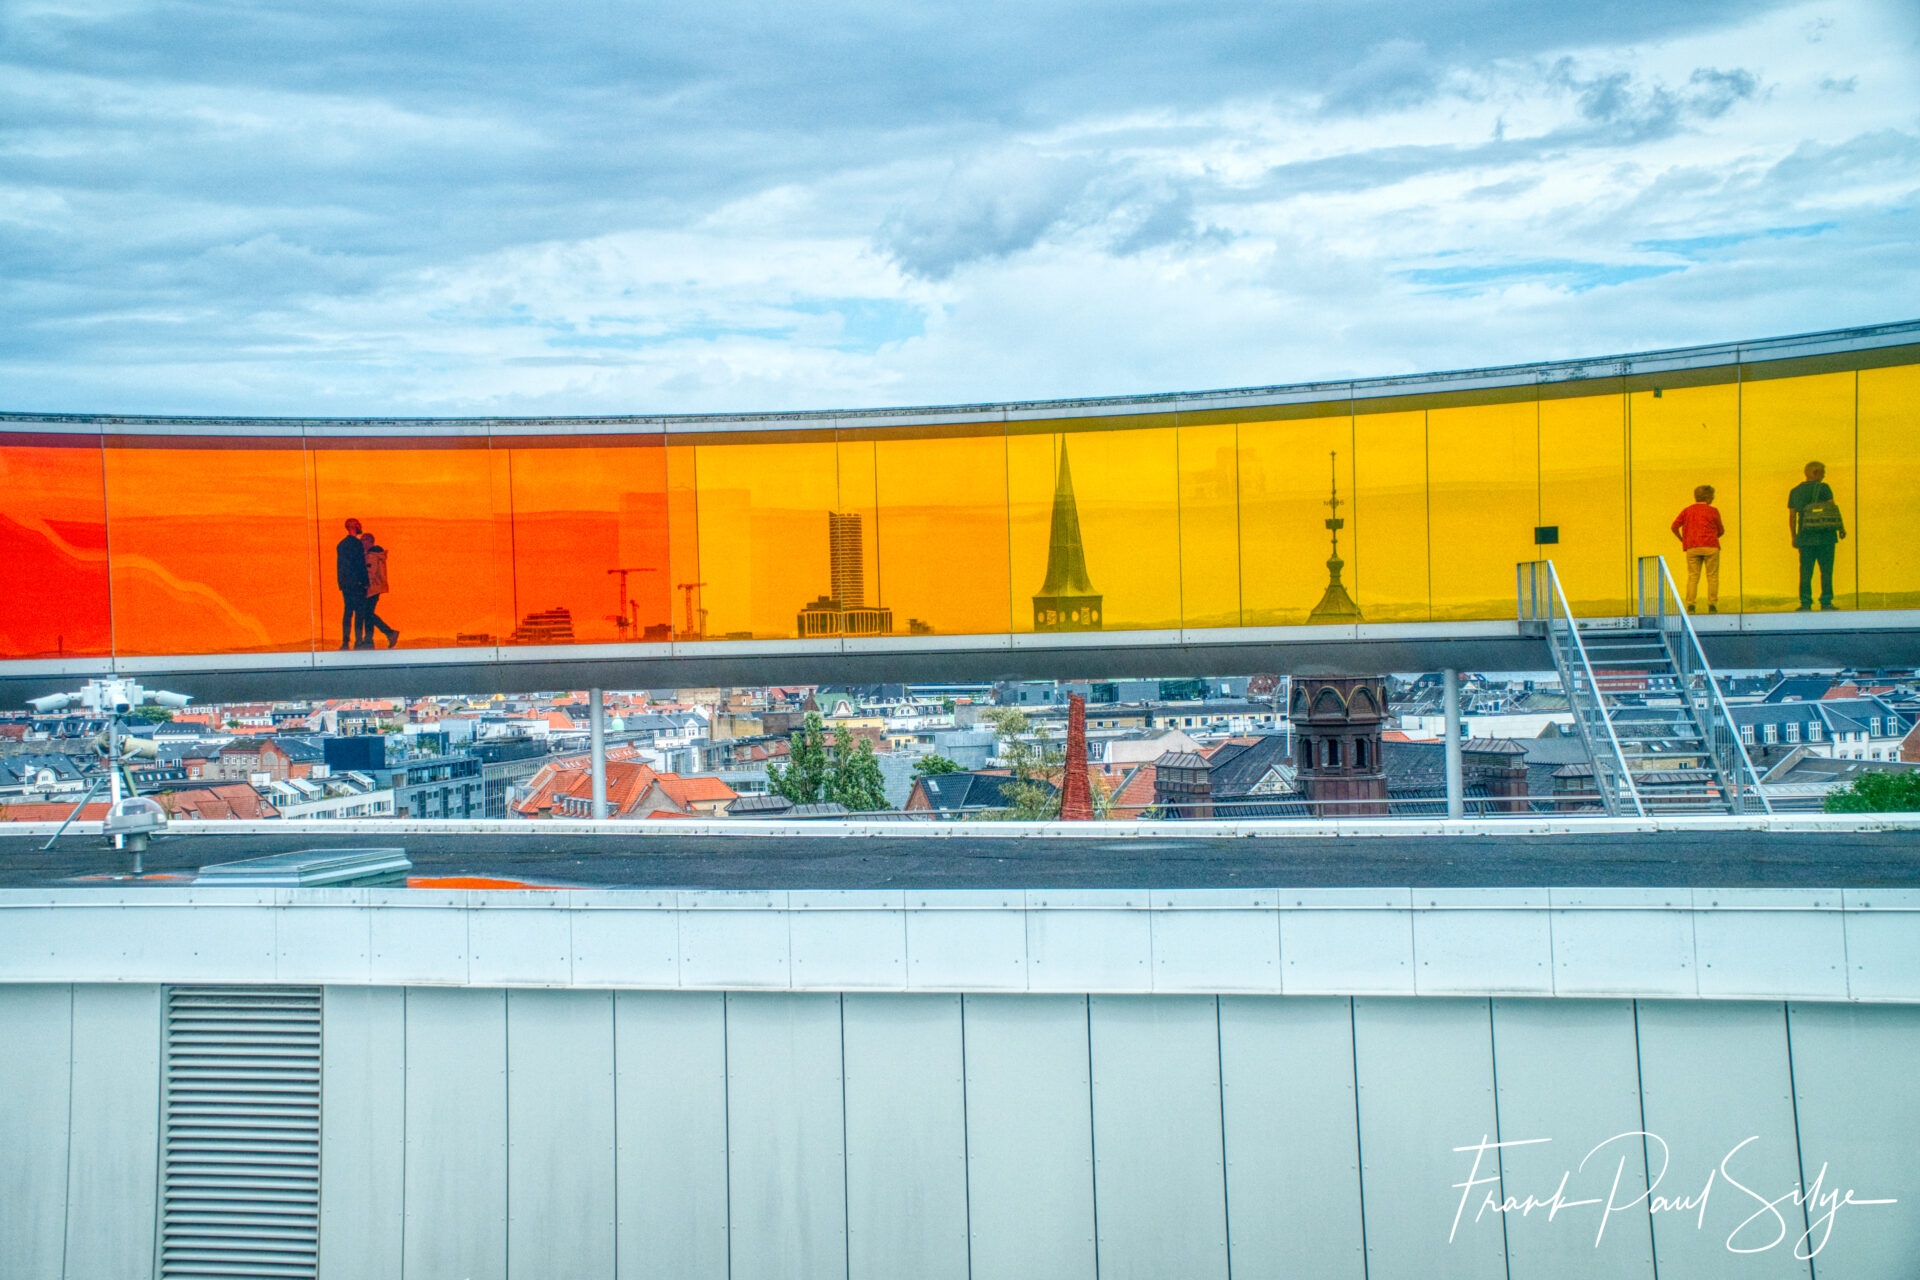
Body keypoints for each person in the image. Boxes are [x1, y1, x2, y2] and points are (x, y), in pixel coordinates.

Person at [1787, 461, 1846, 611]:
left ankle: (1805, 603)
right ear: (1815, 473)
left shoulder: (1795, 491)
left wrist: (1794, 536)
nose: (1824, 476)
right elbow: (1832, 509)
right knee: (1826, 571)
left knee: (1805, 572)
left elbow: (1792, 516)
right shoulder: (1824, 488)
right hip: (1826, 537)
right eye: (1822, 473)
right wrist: (1841, 528)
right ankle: (1826, 602)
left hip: (1805, 537)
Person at [1669, 484, 1725, 613]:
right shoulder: (1713, 511)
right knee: (1712, 577)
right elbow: (1721, 531)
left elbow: (1674, 526)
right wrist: (1711, 536)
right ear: (1708, 497)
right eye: (1712, 496)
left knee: (1693, 577)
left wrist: (1683, 539)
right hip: (1711, 546)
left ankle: (1691, 606)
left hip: (1692, 547)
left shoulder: (1687, 511)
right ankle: (1712, 605)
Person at [357, 531, 400, 649]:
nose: (362, 542)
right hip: (375, 587)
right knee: (368, 613)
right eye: (362, 540)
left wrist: (365, 585)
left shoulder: (372, 555)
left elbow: (370, 572)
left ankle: (388, 633)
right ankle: (370, 640)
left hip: (372, 588)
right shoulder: (373, 554)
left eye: (364, 540)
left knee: (367, 613)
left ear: (370, 542)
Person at [335, 518, 368, 650]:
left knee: (348, 612)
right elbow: (360, 565)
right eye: (359, 524)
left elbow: (340, 566)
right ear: (354, 527)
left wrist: (341, 583)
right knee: (359, 612)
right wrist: (365, 582)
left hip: (345, 583)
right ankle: (358, 641)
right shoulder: (357, 544)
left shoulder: (341, 544)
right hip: (357, 583)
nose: (361, 526)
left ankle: (345, 642)